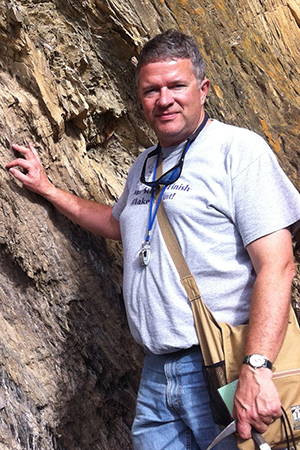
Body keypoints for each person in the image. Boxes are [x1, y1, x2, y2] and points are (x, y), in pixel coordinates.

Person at [6, 29, 300, 450]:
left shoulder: (238, 151)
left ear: (203, 88)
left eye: (176, 86)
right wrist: (48, 190)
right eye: (151, 90)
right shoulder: (146, 163)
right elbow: (116, 221)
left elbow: (278, 265)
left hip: (223, 364)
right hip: (158, 372)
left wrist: (258, 367)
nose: (164, 99)